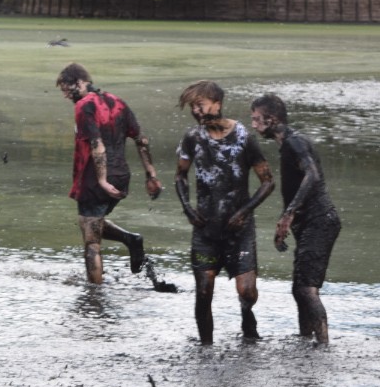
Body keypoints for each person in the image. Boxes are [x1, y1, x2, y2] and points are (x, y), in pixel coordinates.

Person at [174, 80, 274, 344]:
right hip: (205, 230)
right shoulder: (192, 138)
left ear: (217, 104)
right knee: (204, 291)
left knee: (248, 291)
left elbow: (268, 181)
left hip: (238, 230)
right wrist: (187, 209)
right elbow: (180, 176)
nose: (196, 111)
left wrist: (245, 211)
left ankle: (246, 313)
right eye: (192, 107)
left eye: (200, 105)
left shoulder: (243, 137)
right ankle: (206, 347)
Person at [55, 63, 162, 283]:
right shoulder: (118, 102)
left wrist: (102, 180)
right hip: (121, 177)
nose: (66, 96)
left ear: (81, 82)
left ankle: (94, 297)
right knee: (89, 222)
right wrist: (151, 175)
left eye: (67, 89)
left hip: (94, 180)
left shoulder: (85, 106)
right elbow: (141, 139)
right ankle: (131, 239)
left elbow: (97, 144)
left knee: (91, 242)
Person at [249, 93, 339, 343]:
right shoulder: (287, 143)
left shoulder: (294, 142)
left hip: (320, 220)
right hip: (311, 221)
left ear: (273, 118)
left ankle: (322, 346)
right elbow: (298, 185)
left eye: (257, 120)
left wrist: (288, 214)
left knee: (306, 290)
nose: (254, 125)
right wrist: (287, 218)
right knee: (299, 289)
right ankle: (304, 340)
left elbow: (312, 175)